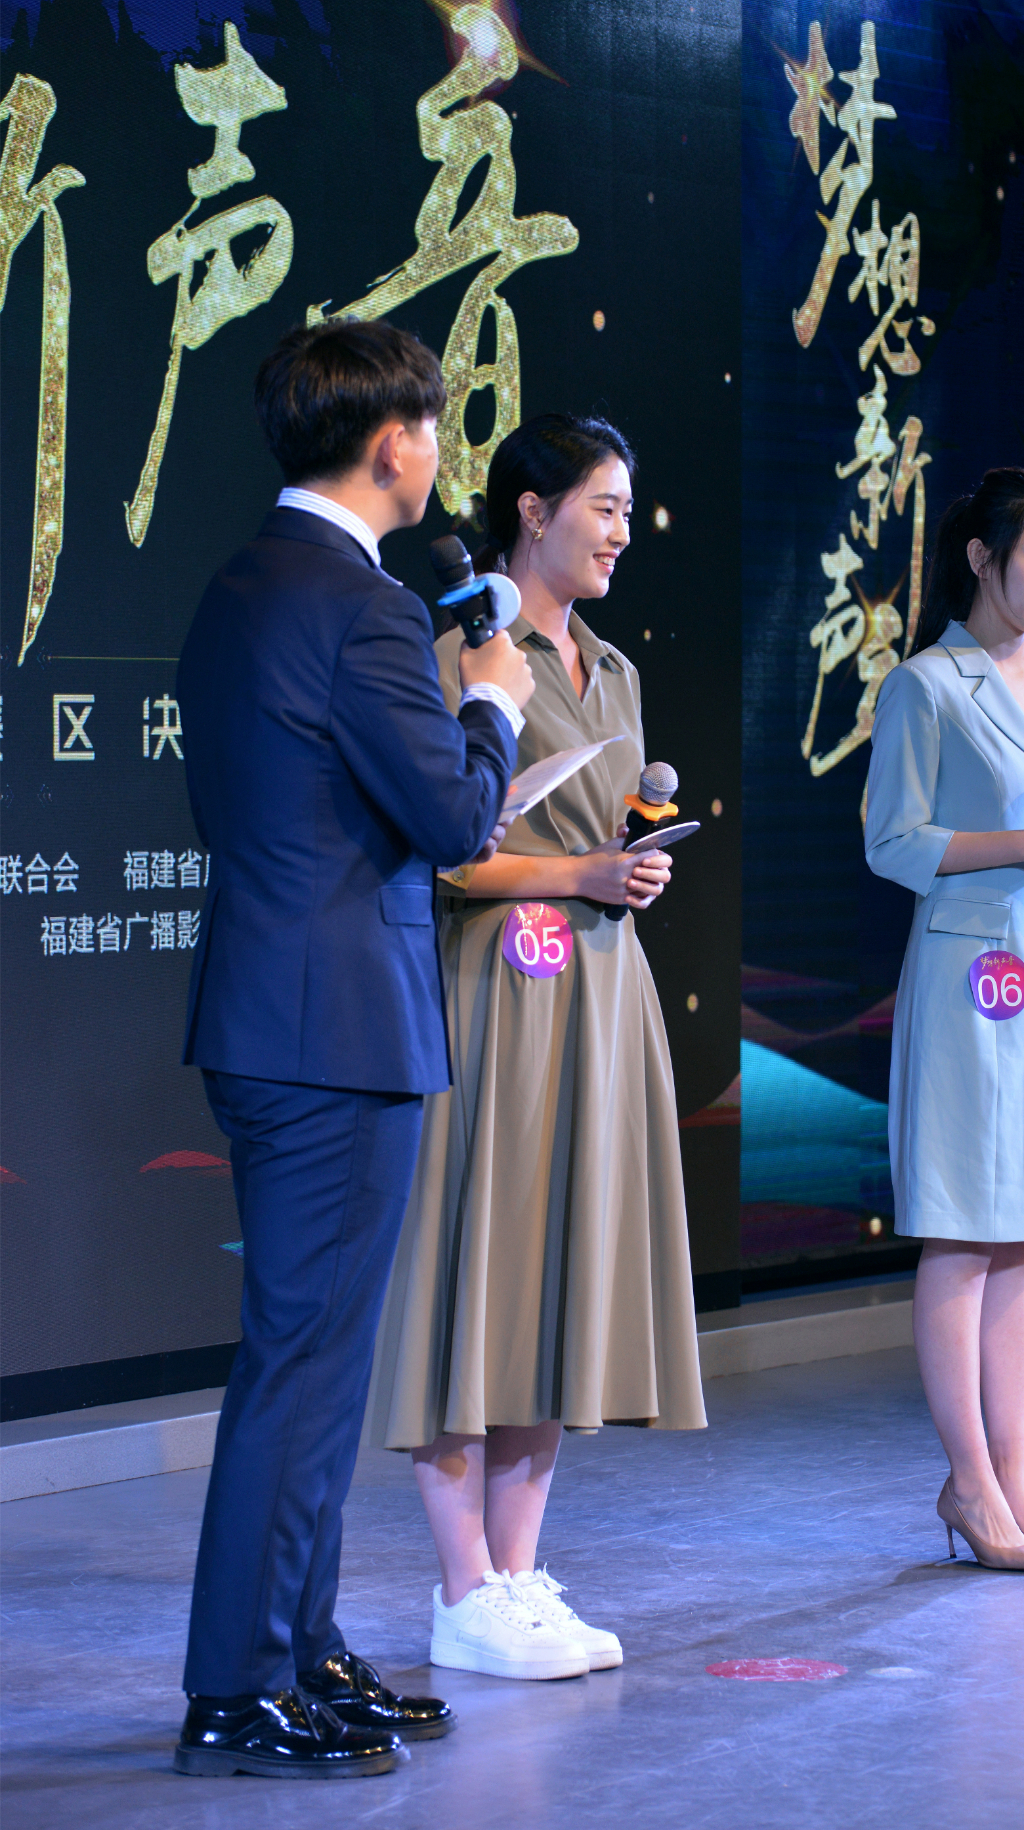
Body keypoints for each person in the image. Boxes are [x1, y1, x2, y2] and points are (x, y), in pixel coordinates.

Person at [172, 319, 534, 1778]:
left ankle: (301, 1647)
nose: (438, 453)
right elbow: (451, 818)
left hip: (272, 1010)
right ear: (392, 445)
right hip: (336, 1029)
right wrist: (494, 703)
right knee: (304, 1365)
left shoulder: (240, 584)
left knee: (312, 1361)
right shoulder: (365, 607)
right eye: (433, 430)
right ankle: (239, 1684)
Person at [367, 412, 706, 1680]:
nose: (620, 531)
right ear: (530, 509)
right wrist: (580, 871)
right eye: (601, 506)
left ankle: (516, 1575)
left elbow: (603, 841)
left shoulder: (610, 668)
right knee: (479, 1281)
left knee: (557, 1277)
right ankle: (461, 1590)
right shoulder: (462, 650)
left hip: (599, 993)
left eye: (624, 509)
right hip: (493, 993)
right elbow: (446, 848)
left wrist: (630, 866)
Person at [864, 467, 1024, 1573]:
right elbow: (891, 842)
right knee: (964, 1229)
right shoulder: (923, 685)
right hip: (968, 976)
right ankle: (967, 1483)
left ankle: (1016, 1481)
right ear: (981, 557)